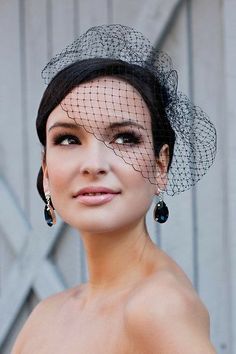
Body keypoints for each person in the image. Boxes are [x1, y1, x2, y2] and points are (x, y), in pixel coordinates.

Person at [12, 24, 217, 353]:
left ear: (160, 166)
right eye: (68, 139)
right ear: (46, 171)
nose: (94, 164)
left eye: (125, 138)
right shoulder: (47, 313)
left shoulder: (159, 307)